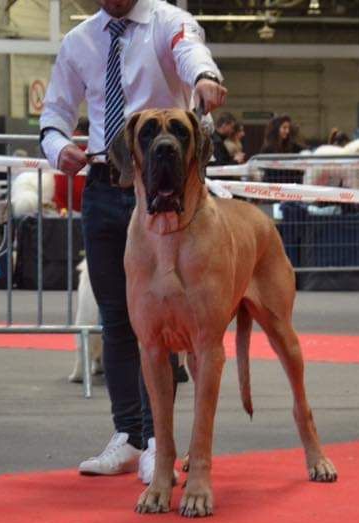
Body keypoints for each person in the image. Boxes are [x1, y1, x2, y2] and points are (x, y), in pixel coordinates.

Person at [39, 0, 226, 484]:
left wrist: (205, 79)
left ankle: (158, 444)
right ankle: (129, 435)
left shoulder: (169, 21)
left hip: (165, 185)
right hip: (103, 185)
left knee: (164, 328)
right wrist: (59, 147)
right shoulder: (78, 41)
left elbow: (191, 51)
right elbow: (54, 113)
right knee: (117, 317)